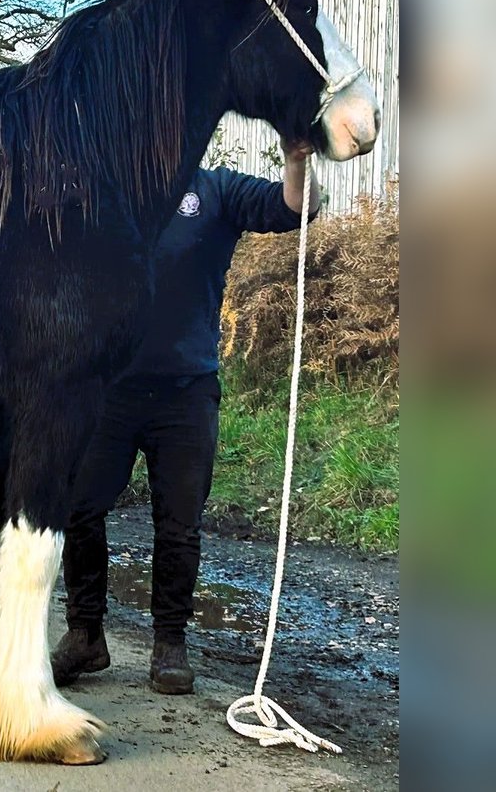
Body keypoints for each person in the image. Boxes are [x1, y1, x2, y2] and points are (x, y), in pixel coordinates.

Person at [50, 138, 318, 694]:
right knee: (79, 507)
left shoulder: (216, 190)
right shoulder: (108, 188)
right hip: (111, 390)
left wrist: (297, 158)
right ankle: (85, 635)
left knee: (179, 525)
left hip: (187, 392)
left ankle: (170, 644)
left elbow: (298, 208)